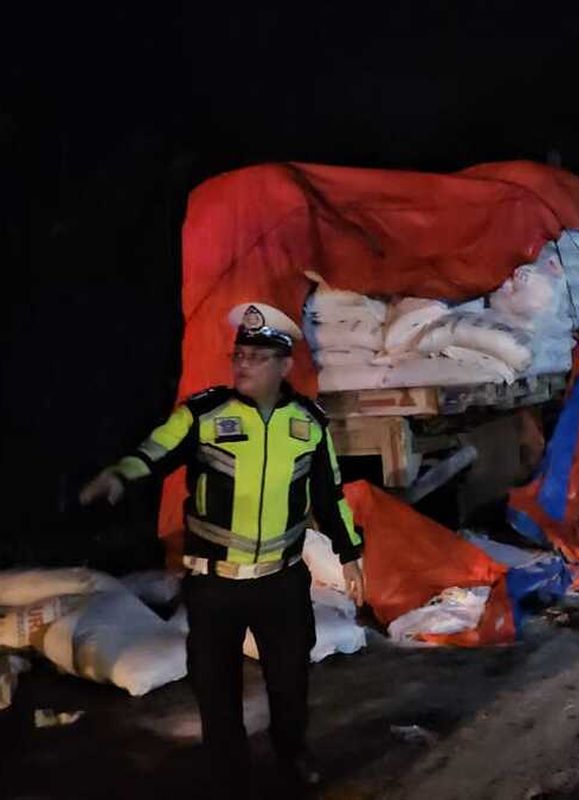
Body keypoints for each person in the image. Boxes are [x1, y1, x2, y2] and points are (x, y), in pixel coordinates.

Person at [80, 302, 365, 797]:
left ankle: (292, 752)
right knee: (215, 686)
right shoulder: (204, 413)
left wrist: (350, 554)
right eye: (239, 355)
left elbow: (330, 495)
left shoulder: (309, 424)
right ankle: (228, 771)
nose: (242, 365)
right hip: (214, 583)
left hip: (282, 581)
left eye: (256, 357)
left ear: (284, 365)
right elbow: (155, 450)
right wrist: (122, 474)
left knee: (289, 681)